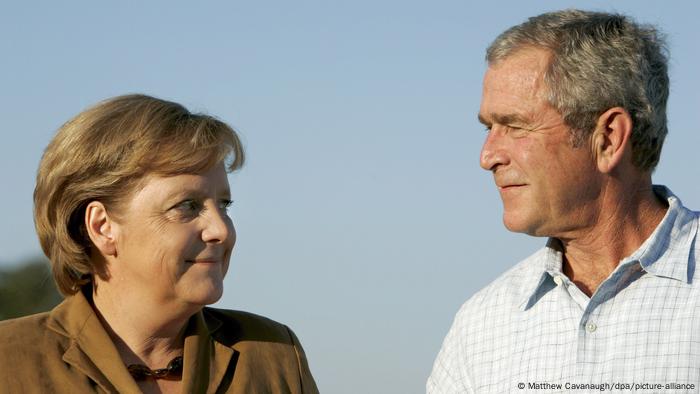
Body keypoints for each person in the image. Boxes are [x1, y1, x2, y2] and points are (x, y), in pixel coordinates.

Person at [428, 9, 699, 393]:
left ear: (607, 138)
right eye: (490, 128)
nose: (487, 156)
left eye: (516, 126)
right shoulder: (481, 326)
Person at [0, 94, 319, 394]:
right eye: (187, 206)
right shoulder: (10, 360)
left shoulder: (273, 354)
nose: (221, 230)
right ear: (102, 227)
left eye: (224, 205)